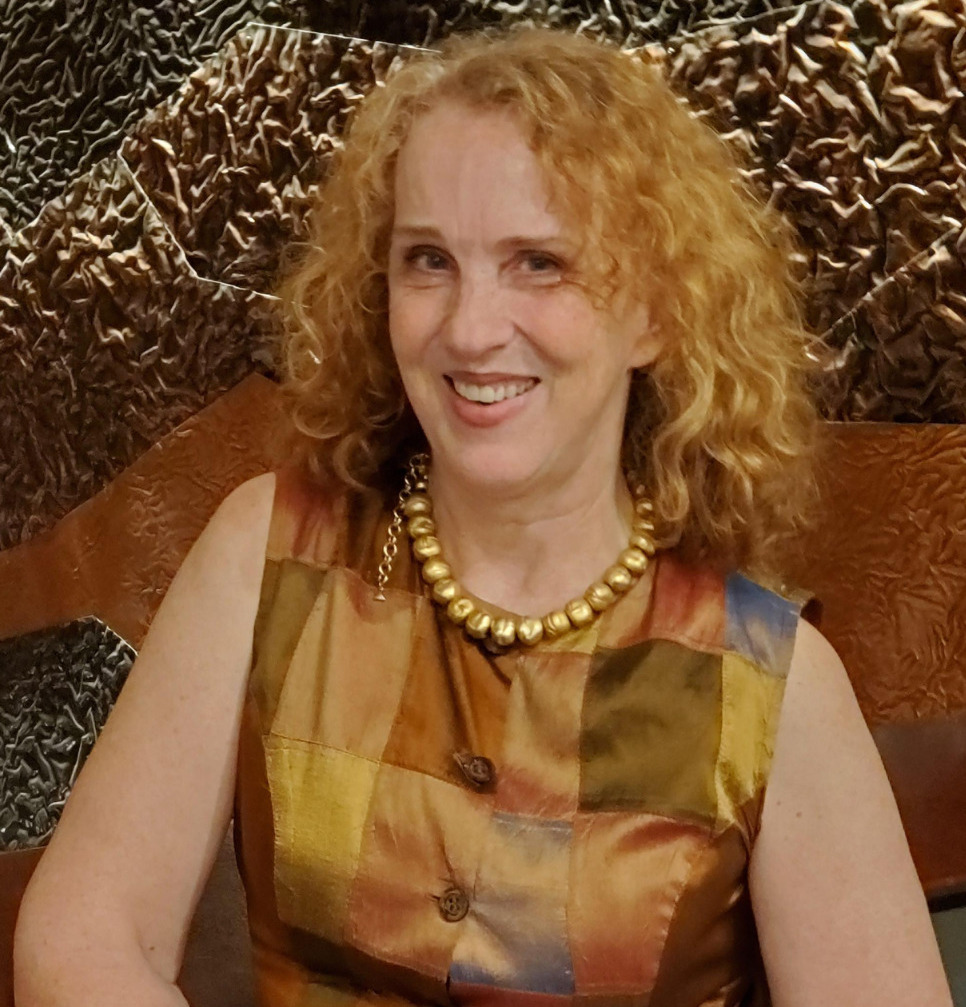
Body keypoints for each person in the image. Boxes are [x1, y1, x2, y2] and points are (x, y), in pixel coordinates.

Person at [14, 25, 952, 1007]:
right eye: (429, 260)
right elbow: (77, 941)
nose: (468, 326)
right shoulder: (263, 550)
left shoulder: (774, 681)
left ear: (656, 314)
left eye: (538, 262)